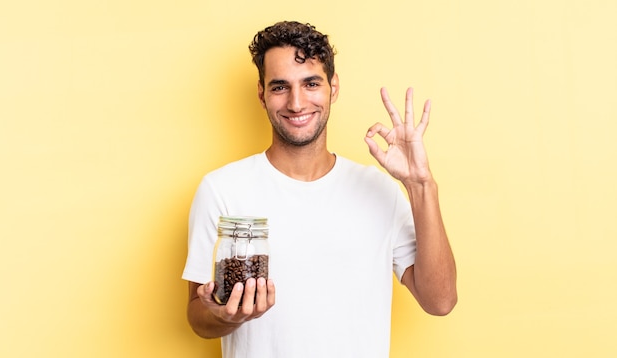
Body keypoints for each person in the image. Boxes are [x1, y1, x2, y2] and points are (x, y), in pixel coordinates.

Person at [183, 20, 457, 357]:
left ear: (333, 87)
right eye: (280, 87)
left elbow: (440, 301)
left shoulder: (379, 190)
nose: (296, 103)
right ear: (261, 93)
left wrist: (421, 185)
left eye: (311, 83)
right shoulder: (222, 189)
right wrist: (226, 315)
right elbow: (197, 318)